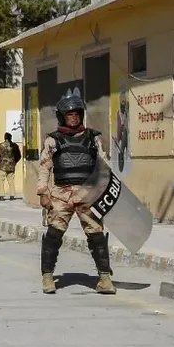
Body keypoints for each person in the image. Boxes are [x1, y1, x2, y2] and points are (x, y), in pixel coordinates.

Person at [37, 94, 115, 295]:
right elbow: (44, 168)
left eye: (76, 114)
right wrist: (43, 193)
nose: (73, 117)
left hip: (87, 195)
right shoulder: (53, 140)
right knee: (53, 235)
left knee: (96, 235)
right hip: (60, 195)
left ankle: (105, 279)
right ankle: (48, 277)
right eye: (69, 115)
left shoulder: (93, 138)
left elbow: (104, 165)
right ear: (62, 117)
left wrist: (106, 191)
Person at [0, 132, 22, 201]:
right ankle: (12, 195)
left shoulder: (1, 145)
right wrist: (14, 162)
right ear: (11, 138)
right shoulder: (15, 146)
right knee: (11, 180)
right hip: (11, 166)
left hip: (2, 166)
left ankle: (1, 196)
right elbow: (18, 156)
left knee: (1, 181)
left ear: (4, 138)